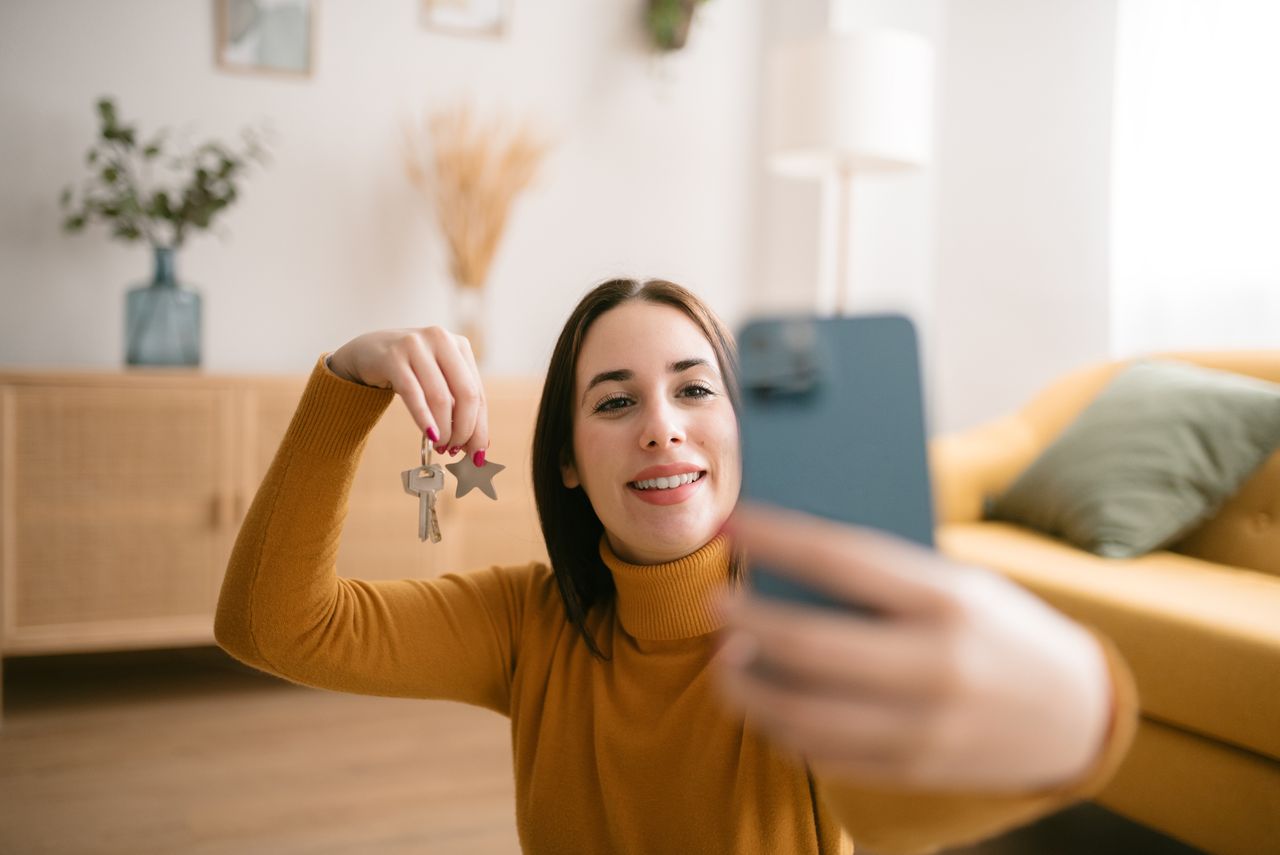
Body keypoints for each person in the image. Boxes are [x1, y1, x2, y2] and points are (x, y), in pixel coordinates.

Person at [215, 278, 1137, 855]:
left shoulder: (809, 626)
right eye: (615, 401)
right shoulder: (528, 626)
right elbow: (274, 623)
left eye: (696, 388)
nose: (662, 424)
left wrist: (1084, 712)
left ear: (746, 427)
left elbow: (898, 819)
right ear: (567, 459)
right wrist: (348, 378)